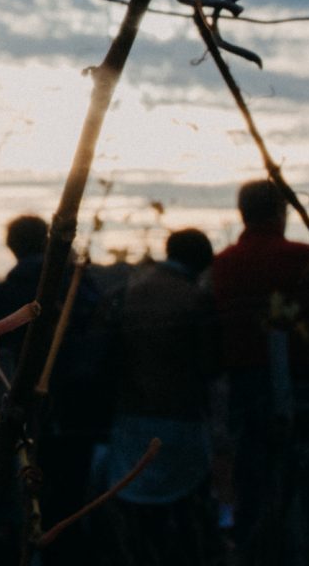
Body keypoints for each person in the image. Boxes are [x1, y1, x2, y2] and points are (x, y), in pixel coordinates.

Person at [211, 179, 309, 560]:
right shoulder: (303, 257)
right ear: (282, 212)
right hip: (305, 381)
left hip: (244, 383)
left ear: (242, 213)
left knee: (250, 474)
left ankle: (252, 548)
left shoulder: (224, 264)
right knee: (307, 471)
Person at [95, 228, 221, 565]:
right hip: (182, 419)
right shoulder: (196, 298)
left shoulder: (125, 293)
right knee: (182, 516)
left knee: (135, 515)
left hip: (129, 416)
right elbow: (210, 364)